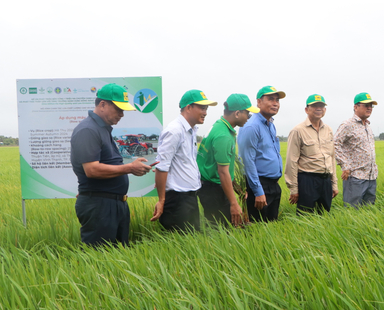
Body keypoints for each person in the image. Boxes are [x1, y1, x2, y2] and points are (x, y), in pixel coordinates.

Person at [70, 83, 152, 247]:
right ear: (102, 105)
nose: (122, 114)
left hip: (113, 204)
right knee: (100, 260)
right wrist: (130, 168)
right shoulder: (88, 130)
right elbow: (91, 170)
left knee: (117, 256)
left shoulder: (103, 129)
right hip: (100, 206)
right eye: (118, 109)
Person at [151, 89, 218, 232]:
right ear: (188, 107)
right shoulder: (175, 131)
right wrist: (161, 200)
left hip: (189, 198)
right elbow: (162, 167)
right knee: (180, 243)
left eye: (206, 108)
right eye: (202, 108)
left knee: (191, 242)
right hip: (177, 201)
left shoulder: (191, 130)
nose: (205, 112)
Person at [198, 93, 259, 227]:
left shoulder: (220, 126)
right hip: (214, 191)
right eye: (247, 114)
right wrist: (234, 203)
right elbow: (223, 172)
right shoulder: (223, 136)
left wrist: (238, 190)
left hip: (212, 187)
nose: (249, 118)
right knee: (221, 232)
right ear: (237, 113)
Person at [237, 86, 286, 222]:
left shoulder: (270, 124)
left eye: (277, 100)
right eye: (270, 99)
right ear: (259, 102)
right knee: (257, 231)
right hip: (259, 186)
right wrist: (258, 192)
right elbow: (248, 161)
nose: (275, 103)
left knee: (271, 227)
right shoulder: (252, 126)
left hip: (273, 186)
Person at [285, 95, 338, 214]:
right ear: (306, 109)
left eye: (321, 106)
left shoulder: (328, 130)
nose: (318, 108)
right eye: (314, 106)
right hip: (307, 180)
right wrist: (294, 189)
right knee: (306, 217)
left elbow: (331, 158)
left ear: (325, 110)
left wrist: (334, 184)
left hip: (325, 181)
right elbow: (291, 161)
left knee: (324, 217)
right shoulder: (297, 130)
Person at [334, 93, 379, 207]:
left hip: (371, 177)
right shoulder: (348, 124)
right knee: (352, 211)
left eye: (371, 105)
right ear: (356, 107)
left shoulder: (367, 125)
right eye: (366, 105)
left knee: (368, 212)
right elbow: (335, 144)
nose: (369, 108)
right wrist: (345, 166)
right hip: (355, 177)